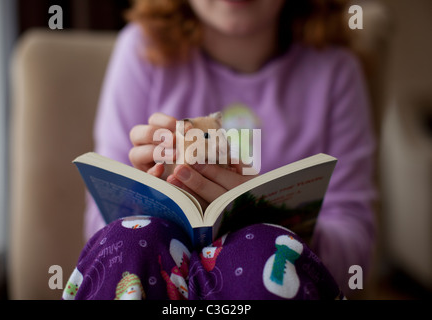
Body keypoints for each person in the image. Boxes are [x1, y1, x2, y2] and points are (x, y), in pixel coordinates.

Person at [72, 0, 376, 300]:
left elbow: (355, 257)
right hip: (156, 272)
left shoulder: (335, 71)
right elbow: (99, 234)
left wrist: (278, 226)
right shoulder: (141, 49)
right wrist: (136, 202)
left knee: (262, 247)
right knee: (130, 237)